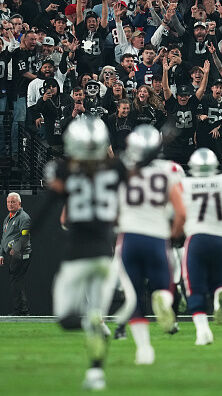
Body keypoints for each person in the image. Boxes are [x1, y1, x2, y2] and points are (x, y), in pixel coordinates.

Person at [44, 117, 128, 390]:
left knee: (67, 319)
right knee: (95, 313)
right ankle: (96, 373)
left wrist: (27, 233)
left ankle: (89, 322)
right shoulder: (115, 169)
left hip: (77, 253)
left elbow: (55, 210)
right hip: (105, 251)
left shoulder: (64, 170)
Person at [116, 125, 186, 365]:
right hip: (156, 237)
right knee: (165, 287)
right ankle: (164, 303)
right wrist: (174, 235)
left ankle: (144, 349)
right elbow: (181, 213)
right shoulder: (169, 171)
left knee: (134, 297)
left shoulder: (121, 172)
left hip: (130, 237)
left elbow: (112, 211)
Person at [180, 148, 222, 345]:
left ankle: (203, 332)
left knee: (194, 287)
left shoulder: (184, 184)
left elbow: (175, 214)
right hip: (221, 238)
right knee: (220, 281)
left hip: (196, 238)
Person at [0, 192, 32, 316]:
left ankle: (21, 311)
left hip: (21, 254)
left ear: (19, 203)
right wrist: (1, 254)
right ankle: (21, 310)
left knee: (16, 281)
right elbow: (4, 238)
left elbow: (25, 237)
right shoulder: (7, 218)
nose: (10, 204)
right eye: (8, 202)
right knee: (15, 281)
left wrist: (16, 248)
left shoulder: (24, 217)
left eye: (13, 202)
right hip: (12, 255)